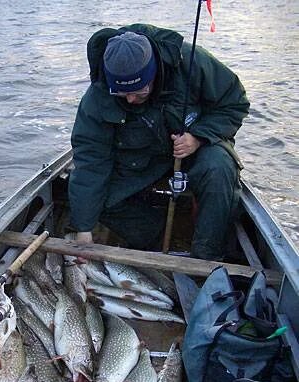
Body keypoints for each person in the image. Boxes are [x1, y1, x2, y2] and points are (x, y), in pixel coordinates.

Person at [68, 24, 250, 260]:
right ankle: (158, 237)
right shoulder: (97, 96)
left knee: (220, 166)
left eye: (140, 91)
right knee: (97, 202)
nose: (132, 100)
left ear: (153, 73)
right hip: (139, 162)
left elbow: (234, 104)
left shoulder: (193, 61)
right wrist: (84, 229)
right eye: (122, 94)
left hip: (194, 152)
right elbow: (90, 160)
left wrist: (198, 137)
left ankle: (207, 254)